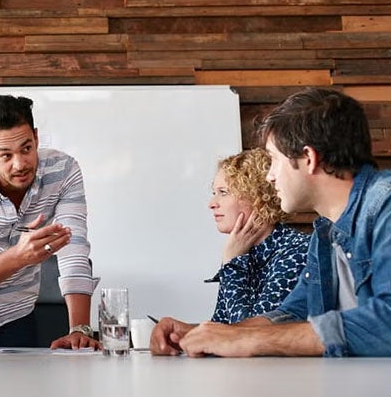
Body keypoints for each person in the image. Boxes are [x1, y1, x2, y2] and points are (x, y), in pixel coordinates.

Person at [151, 88, 391, 357]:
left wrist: (250, 341)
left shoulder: (385, 206)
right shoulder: (326, 232)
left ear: (309, 159)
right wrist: (203, 334)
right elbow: (293, 314)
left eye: (274, 161)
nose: (270, 177)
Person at [0, 95, 98, 349]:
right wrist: (21, 256)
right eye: (6, 155)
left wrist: (79, 328)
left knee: (21, 386)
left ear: (35, 137)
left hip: (16, 308)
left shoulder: (64, 171)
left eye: (26, 148)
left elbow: (73, 249)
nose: (20, 164)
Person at [206, 149, 309, 324]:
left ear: (257, 196)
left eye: (223, 192)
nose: (212, 204)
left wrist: (232, 264)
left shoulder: (296, 252)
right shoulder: (242, 251)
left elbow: (251, 334)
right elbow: (220, 327)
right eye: (214, 193)